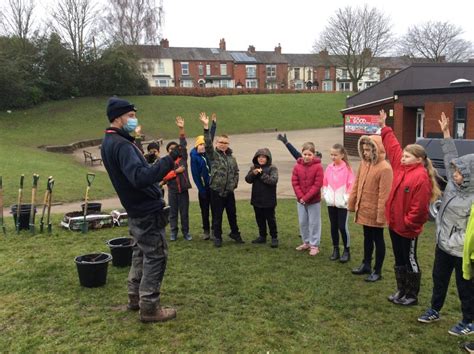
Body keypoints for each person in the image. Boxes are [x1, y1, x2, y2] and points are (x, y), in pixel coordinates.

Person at [100, 97, 178, 323]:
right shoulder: (122, 145)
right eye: (131, 116)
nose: (135, 120)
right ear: (117, 118)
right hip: (145, 211)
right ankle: (150, 308)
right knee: (156, 256)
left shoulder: (111, 141)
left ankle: (134, 298)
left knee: (140, 254)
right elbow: (138, 177)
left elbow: (133, 170)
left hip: (135, 210)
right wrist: (168, 161)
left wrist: (148, 160)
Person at [417, 112, 474, 336]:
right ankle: (435, 309)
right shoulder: (452, 185)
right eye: (456, 172)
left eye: (460, 172)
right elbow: (451, 156)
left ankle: (468, 320)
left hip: (461, 251)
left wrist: (459, 243)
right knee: (439, 279)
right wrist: (446, 133)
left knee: (465, 288)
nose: (456, 174)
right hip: (443, 245)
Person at [379, 109, 441, 305]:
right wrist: (384, 127)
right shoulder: (400, 167)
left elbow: (420, 207)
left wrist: (409, 223)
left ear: (419, 160)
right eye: (404, 156)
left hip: (408, 228)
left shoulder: (421, 177)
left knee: (410, 259)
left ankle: (412, 295)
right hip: (395, 224)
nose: (403, 158)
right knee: (398, 258)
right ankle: (401, 290)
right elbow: (393, 147)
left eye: (407, 156)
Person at [348, 134, 393, 282]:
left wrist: (381, 216)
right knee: (367, 237)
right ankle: (366, 264)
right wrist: (352, 202)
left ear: (376, 149)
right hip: (364, 209)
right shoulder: (364, 163)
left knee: (378, 239)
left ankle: (377, 270)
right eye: (364, 149)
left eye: (368, 150)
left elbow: (384, 195)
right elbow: (357, 184)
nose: (365, 152)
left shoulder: (385, 168)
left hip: (375, 212)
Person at [199, 112, 244, 247]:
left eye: (225, 142)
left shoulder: (232, 158)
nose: (223, 144)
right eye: (220, 142)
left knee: (232, 214)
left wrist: (234, 184)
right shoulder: (213, 155)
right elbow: (207, 144)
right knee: (217, 215)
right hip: (216, 191)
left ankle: (235, 233)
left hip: (229, 191)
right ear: (217, 143)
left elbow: (236, 172)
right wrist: (206, 127)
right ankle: (217, 236)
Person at [322, 143, 354, 263]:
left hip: (342, 204)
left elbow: (351, 185)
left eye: (335, 155)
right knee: (333, 227)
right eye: (331, 154)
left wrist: (346, 198)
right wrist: (326, 195)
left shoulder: (348, 169)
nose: (333, 157)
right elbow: (325, 183)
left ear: (342, 155)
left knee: (342, 227)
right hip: (331, 203)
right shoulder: (329, 167)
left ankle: (346, 250)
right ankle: (336, 249)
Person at [162, 116, 192, 241]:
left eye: (175, 149)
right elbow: (164, 177)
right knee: (173, 213)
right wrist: (176, 172)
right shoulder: (166, 162)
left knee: (184, 213)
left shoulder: (183, 158)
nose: (173, 150)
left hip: (183, 191)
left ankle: (186, 233)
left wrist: (181, 129)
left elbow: (183, 144)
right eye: (170, 149)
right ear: (168, 151)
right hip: (172, 191)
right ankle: (174, 232)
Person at [292, 142, 324, 256]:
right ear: (302, 154)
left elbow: (317, 184)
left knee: (314, 223)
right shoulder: (297, 166)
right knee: (303, 222)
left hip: (313, 201)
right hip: (300, 201)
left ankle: (314, 245)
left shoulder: (318, 167)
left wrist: (306, 197)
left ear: (313, 155)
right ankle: (306, 242)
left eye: (309, 154)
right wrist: (301, 197)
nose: (306, 156)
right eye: (305, 154)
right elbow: (295, 182)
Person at [245, 148, 279, 248]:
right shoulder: (253, 168)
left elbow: (273, 181)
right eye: (259, 157)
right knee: (259, 219)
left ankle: (274, 237)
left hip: (269, 200)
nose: (261, 159)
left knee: (270, 219)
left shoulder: (272, 168)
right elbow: (248, 180)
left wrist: (261, 174)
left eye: (263, 157)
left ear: (267, 158)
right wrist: (253, 173)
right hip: (257, 199)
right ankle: (262, 236)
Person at [190, 114, 217, 240]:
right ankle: (206, 230)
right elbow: (195, 176)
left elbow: (210, 138)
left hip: (213, 186)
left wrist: (213, 125)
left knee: (215, 210)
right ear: (196, 146)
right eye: (200, 144)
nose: (203, 146)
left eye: (204, 145)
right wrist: (201, 190)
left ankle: (213, 230)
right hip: (204, 189)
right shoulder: (195, 158)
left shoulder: (208, 154)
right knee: (205, 211)